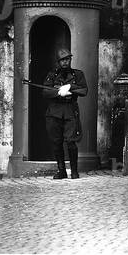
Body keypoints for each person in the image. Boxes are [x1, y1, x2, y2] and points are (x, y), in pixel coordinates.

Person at [42, 47, 88, 179]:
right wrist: (58, 92)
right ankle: (61, 170)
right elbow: (45, 92)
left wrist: (70, 88)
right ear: (58, 62)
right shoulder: (52, 75)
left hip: (70, 111)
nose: (65, 62)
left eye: (67, 59)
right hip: (54, 112)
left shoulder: (78, 74)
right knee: (56, 142)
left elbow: (84, 90)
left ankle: (74, 171)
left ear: (70, 60)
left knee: (71, 142)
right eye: (62, 60)